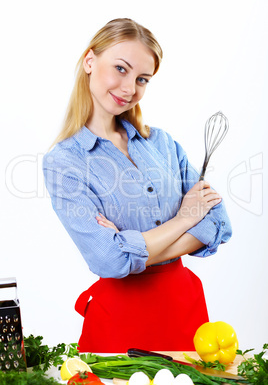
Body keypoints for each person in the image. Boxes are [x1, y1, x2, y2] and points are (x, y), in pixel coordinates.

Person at [43, 18, 232, 353]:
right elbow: (109, 260)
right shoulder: (65, 163)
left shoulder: (162, 144)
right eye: (120, 68)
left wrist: (135, 249)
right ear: (90, 61)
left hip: (185, 314)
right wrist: (184, 220)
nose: (130, 87)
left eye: (142, 78)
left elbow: (218, 223)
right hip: (119, 323)